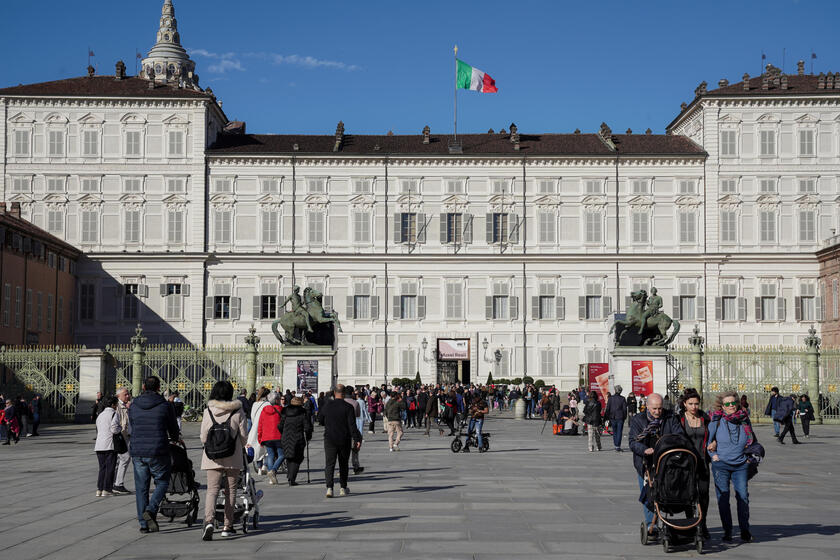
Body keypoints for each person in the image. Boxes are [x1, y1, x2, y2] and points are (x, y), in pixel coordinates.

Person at [128, 376, 180, 533]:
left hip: (138, 450)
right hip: (158, 449)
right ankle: (151, 510)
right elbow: (173, 427)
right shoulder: (165, 405)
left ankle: (144, 525)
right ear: (159, 388)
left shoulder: (134, 405)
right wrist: (175, 439)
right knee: (163, 482)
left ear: (143, 387)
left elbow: (132, 424)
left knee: (141, 487)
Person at [200, 380, 248, 541]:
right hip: (232, 456)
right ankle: (228, 526)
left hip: (212, 456)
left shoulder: (208, 410)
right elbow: (243, 437)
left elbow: (203, 436)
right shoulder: (238, 410)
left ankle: (209, 521)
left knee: (212, 490)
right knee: (231, 491)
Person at [707, 391, 754, 543]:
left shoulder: (744, 419)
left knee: (743, 498)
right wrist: (712, 456)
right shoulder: (716, 420)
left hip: (741, 465)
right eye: (727, 404)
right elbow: (707, 442)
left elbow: (752, 440)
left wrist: (749, 458)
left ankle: (745, 530)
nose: (731, 406)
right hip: (721, 465)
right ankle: (727, 531)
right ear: (722, 406)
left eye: (733, 402)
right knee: (723, 497)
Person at [629, 393, 676, 537]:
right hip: (646, 463)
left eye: (660, 409)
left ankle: (668, 519)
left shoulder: (670, 418)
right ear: (647, 406)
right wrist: (644, 450)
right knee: (648, 492)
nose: (657, 412)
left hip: (666, 461)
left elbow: (678, 435)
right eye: (654, 408)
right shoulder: (638, 420)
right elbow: (632, 442)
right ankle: (651, 523)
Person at [674, 388, 711, 540]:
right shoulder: (678, 419)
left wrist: (713, 442)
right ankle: (691, 522)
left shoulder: (705, 418)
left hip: (702, 462)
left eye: (696, 403)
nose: (694, 407)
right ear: (684, 404)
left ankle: (702, 524)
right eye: (691, 404)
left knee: (703, 494)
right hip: (686, 463)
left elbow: (712, 434)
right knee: (688, 494)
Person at [320, 385, 362, 498]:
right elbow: (352, 425)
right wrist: (357, 439)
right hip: (344, 438)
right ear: (344, 393)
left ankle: (329, 488)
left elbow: (320, 420)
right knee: (343, 464)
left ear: (334, 392)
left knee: (329, 464)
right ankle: (343, 487)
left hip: (330, 438)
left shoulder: (327, 406)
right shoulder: (348, 407)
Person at [278, 396, 313, 485]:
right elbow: (307, 427)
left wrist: (283, 433)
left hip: (286, 437)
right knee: (297, 458)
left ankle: (290, 476)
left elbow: (280, 426)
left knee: (289, 457)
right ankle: (291, 478)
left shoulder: (285, 412)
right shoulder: (302, 413)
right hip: (298, 438)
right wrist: (308, 436)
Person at [94, 396, 121, 496]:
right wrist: (120, 428)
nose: (117, 406)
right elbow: (114, 429)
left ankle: (99, 489)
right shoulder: (114, 414)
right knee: (110, 467)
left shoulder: (100, 415)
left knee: (102, 468)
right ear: (113, 405)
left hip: (99, 444)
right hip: (110, 444)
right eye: (116, 404)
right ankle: (107, 489)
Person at [257, 393, 284, 484]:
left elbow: (260, 425)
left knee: (270, 455)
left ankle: (271, 479)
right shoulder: (281, 409)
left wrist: (260, 438)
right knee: (282, 455)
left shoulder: (264, 410)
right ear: (276, 400)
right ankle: (273, 470)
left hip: (266, 437)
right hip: (278, 436)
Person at [246, 387, 271, 474]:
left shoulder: (255, 404)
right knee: (266, 450)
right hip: (266, 428)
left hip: (255, 428)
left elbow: (252, 417)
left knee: (256, 448)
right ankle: (265, 465)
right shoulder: (268, 404)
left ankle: (259, 468)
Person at [113, 387, 133, 495]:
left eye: (128, 394)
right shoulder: (118, 406)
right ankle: (118, 484)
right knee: (124, 458)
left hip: (128, 436)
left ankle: (115, 483)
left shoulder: (128, 405)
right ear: (118, 396)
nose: (128, 396)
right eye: (125, 394)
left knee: (121, 460)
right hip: (121, 436)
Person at [343, 385, 365, 474]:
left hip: (341, 429)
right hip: (352, 428)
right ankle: (355, 466)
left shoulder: (341, 402)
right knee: (355, 449)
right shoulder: (355, 403)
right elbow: (358, 415)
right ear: (352, 393)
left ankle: (343, 468)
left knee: (343, 451)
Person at [604, 385, 628, 452]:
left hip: (612, 416)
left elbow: (608, 408)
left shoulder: (611, 398)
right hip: (620, 417)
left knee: (614, 431)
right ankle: (618, 445)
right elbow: (624, 409)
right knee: (619, 431)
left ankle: (616, 444)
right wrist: (625, 417)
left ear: (615, 390)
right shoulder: (622, 399)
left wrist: (606, 417)